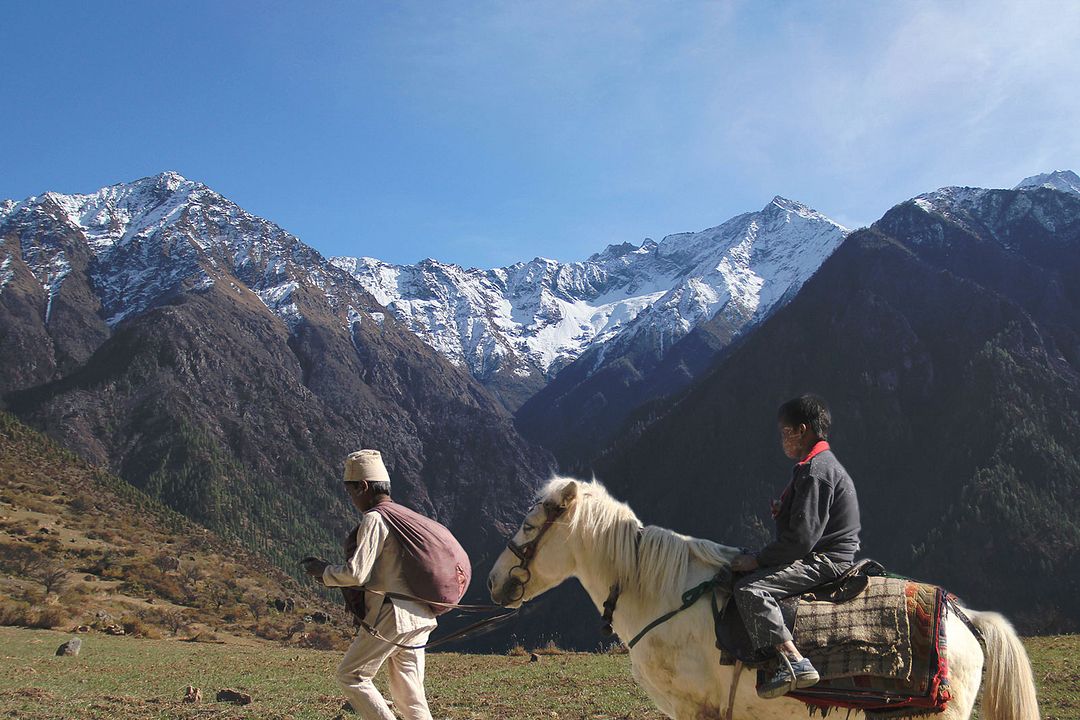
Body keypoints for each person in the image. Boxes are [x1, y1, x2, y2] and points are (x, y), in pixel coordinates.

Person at [729, 394, 861, 699]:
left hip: (826, 559)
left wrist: (758, 560)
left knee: (750, 589)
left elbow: (801, 541)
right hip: (825, 553)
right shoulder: (817, 465)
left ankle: (793, 661)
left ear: (802, 430)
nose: (783, 440)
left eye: (784, 432)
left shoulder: (816, 472)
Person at [302, 450, 437, 720]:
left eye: (352, 493)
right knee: (411, 697)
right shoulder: (402, 515)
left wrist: (324, 571)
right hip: (421, 614)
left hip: (392, 615)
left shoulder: (375, 518)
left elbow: (357, 573)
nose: (352, 500)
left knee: (351, 676)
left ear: (363, 487)